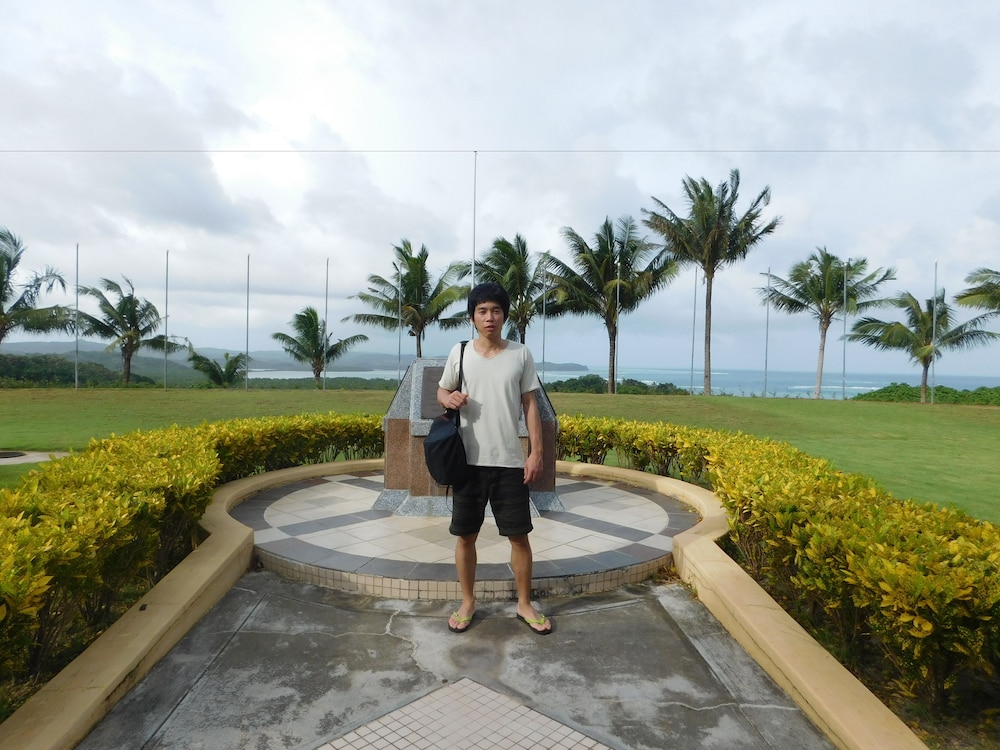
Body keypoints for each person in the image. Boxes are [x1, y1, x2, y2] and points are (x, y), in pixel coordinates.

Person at [436, 282, 552, 635]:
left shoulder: (520, 354)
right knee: (465, 537)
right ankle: (467, 602)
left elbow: (530, 405)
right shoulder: (459, 353)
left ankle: (524, 603)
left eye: (496, 311)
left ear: (505, 316)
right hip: (467, 464)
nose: (490, 317)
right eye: (482, 311)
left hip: (510, 463)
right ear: (472, 316)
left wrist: (536, 452)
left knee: (519, 537)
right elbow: (442, 389)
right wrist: (448, 399)